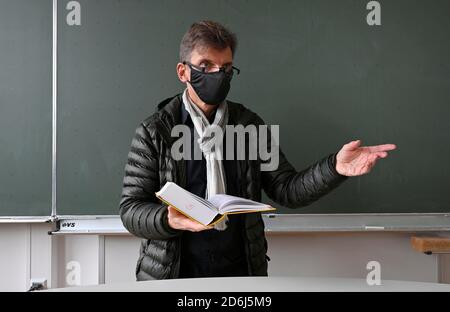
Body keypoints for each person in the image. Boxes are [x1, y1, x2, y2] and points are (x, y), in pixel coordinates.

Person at [119, 20, 396, 280]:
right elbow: (131, 210)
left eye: (226, 68)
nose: (218, 75)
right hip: (173, 277)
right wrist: (167, 219)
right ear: (183, 72)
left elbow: (288, 189)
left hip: (242, 275)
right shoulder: (155, 131)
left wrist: (335, 167)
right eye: (206, 65)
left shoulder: (249, 125)